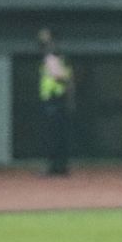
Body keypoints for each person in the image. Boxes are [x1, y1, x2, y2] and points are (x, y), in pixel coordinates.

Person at [38, 28, 75, 176]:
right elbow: (68, 78)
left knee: (53, 135)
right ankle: (61, 166)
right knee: (59, 134)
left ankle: (55, 167)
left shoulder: (52, 56)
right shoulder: (60, 56)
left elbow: (60, 77)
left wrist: (58, 77)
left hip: (54, 99)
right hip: (59, 99)